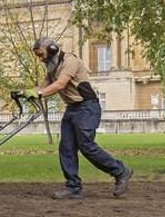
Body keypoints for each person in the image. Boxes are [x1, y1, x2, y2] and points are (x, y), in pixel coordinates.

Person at [31, 37, 133, 199]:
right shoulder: (52, 67)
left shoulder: (70, 61)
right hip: (72, 108)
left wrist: (38, 94)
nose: (41, 59)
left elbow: (60, 85)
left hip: (87, 107)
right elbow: (44, 84)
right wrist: (27, 94)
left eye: (41, 55)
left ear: (51, 49)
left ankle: (121, 171)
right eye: (38, 56)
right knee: (66, 147)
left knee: (86, 145)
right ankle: (73, 187)